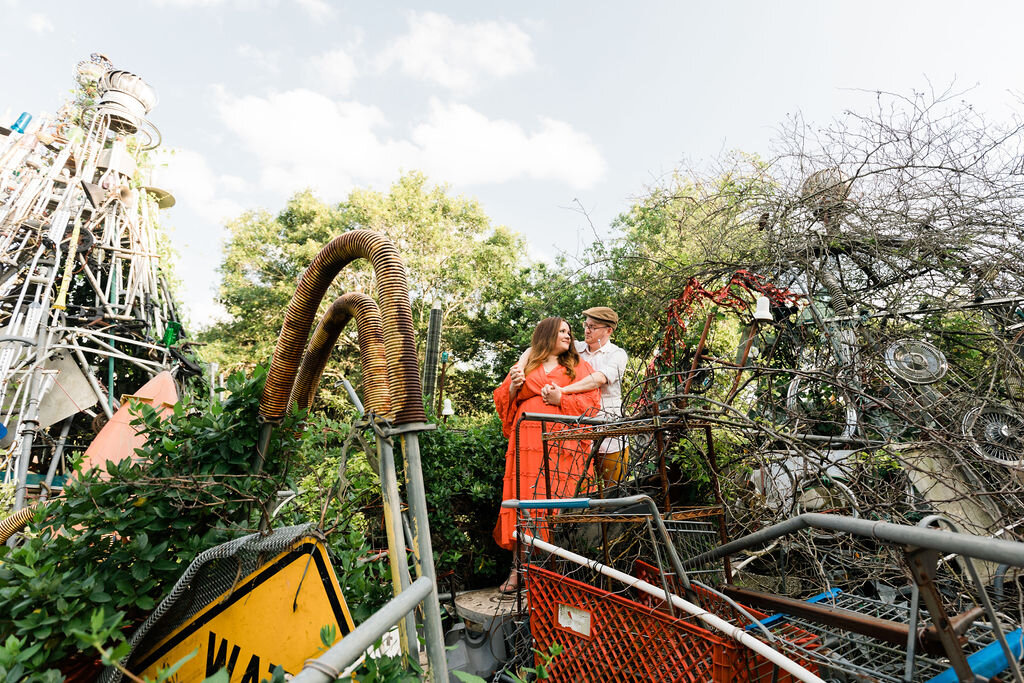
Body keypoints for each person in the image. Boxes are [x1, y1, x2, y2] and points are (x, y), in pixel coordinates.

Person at [493, 317, 601, 592]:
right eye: (562, 331)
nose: (568, 336)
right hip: (527, 442)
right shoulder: (528, 364)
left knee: (561, 502)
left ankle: (560, 574)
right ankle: (518, 572)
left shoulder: (577, 366)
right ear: (547, 335)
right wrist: (516, 386)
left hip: (563, 446)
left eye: (569, 331)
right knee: (525, 501)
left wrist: (561, 399)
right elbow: (503, 399)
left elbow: (592, 403)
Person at [519, 307, 629, 484]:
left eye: (593, 327)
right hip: (578, 431)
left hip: (608, 432)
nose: (587, 330)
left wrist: (562, 392)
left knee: (614, 488)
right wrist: (519, 366)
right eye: (586, 325)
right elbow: (537, 347)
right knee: (579, 486)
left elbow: (598, 379)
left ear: (608, 330)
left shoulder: (617, 354)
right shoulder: (575, 348)